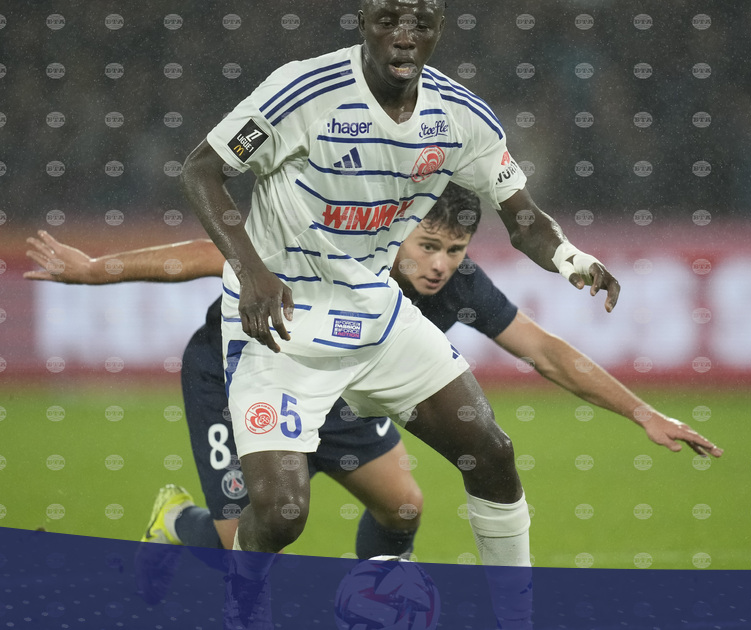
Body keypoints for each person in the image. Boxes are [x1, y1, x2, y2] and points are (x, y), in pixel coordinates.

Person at [25, 183, 722, 605]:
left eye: (454, 250)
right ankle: (177, 524)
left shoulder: (460, 287)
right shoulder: (335, 250)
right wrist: (97, 269)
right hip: (241, 374)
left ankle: (378, 602)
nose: (440, 265)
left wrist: (641, 411)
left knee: (404, 505)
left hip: (346, 396)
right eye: (428, 245)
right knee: (254, 533)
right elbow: (210, 254)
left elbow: (543, 351)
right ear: (398, 229)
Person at [179, 1, 626, 627]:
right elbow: (202, 170)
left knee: (490, 452)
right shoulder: (302, 91)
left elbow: (522, 216)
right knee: (281, 516)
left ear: (439, 30)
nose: (405, 36)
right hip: (280, 327)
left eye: (421, 23)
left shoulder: (460, 116)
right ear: (363, 21)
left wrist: (572, 258)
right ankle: (242, 604)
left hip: (378, 320)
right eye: (389, 19)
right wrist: (252, 273)